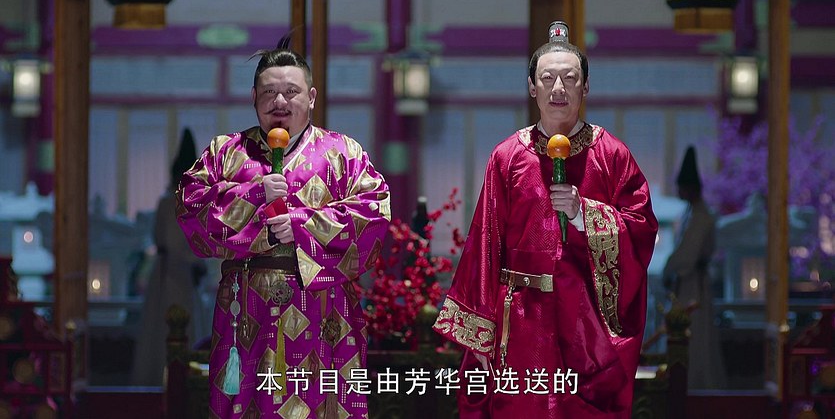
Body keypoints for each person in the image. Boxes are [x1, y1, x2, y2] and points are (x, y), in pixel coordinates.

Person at [433, 22, 658, 418]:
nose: (558, 88)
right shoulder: (508, 157)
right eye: (547, 78)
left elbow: (641, 227)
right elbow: (485, 243)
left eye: (570, 79)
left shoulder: (612, 155)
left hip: (586, 324)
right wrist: (480, 332)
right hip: (521, 319)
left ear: (585, 88)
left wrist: (584, 213)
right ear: (531, 87)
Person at [176, 37, 390, 418]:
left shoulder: (343, 153)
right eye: (269, 92)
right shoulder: (226, 152)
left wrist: (301, 226)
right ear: (253, 98)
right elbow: (190, 205)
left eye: (291, 92)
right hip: (247, 310)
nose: (279, 101)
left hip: (324, 310)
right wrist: (254, 195)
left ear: (311, 97)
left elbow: (374, 213)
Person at [132, 128, 208, 386]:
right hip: (175, 277)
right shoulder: (175, 203)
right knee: (173, 330)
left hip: (175, 275)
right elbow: (175, 245)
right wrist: (198, 262)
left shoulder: (175, 201)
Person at [662, 145, 726, 389]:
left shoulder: (701, 216)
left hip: (693, 286)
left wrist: (669, 269)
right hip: (688, 283)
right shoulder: (691, 213)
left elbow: (687, 255)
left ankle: (695, 386)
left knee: (696, 337)